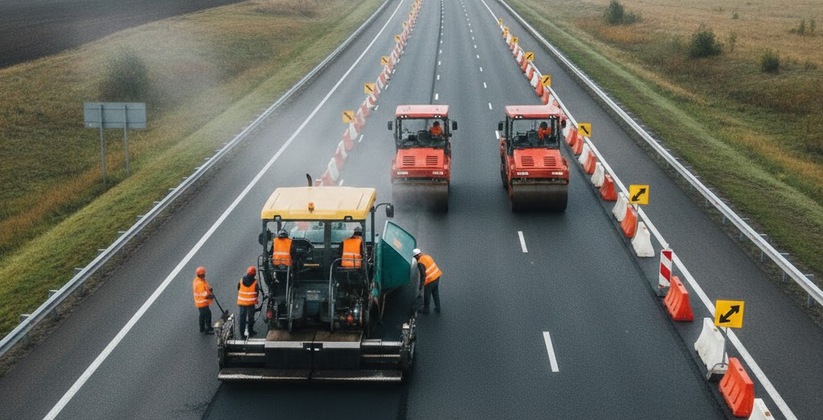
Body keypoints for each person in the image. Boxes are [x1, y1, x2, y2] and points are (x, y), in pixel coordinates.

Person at [413, 248, 442, 314]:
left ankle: (426, 310)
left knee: (427, 295)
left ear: (416, 256)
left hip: (430, 280)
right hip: (437, 276)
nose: (415, 258)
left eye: (414, 257)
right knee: (435, 293)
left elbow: (423, 275)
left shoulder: (420, 263)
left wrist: (421, 286)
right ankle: (438, 308)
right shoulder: (427, 256)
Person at [237, 266, 260, 338]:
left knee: (242, 319)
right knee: (251, 318)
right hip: (250, 304)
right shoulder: (255, 282)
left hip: (242, 303)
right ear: (254, 274)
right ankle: (250, 331)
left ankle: (242, 334)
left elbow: (238, 288)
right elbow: (257, 292)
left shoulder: (241, 280)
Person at [192, 266, 215, 334]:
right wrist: (210, 296)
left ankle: (202, 328)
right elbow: (203, 294)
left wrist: (209, 289)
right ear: (202, 274)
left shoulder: (198, 280)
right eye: (204, 274)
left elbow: (205, 287)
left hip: (200, 302)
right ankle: (207, 328)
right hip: (202, 303)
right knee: (207, 314)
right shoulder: (200, 283)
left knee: (202, 315)